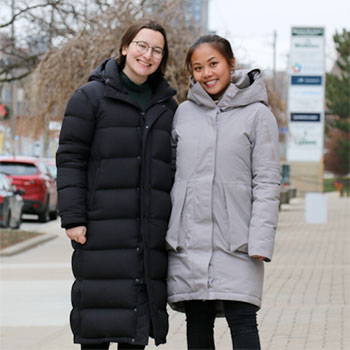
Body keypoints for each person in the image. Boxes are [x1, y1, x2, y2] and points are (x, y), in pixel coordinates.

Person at [56, 19, 177, 350]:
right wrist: (73, 218)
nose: (147, 54)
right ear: (125, 47)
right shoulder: (90, 98)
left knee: (136, 331)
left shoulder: (166, 107)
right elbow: (70, 158)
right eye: (141, 45)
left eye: (157, 50)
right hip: (100, 232)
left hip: (146, 237)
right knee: (96, 325)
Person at [166, 35, 280, 350]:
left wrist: (260, 239)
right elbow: (172, 176)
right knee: (197, 327)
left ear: (230, 63)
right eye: (198, 68)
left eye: (213, 63)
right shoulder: (183, 113)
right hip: (190, 243)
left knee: (243, 322)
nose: (207, 73)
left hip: (239, 242)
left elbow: (268, 181)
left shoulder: (258, 115)